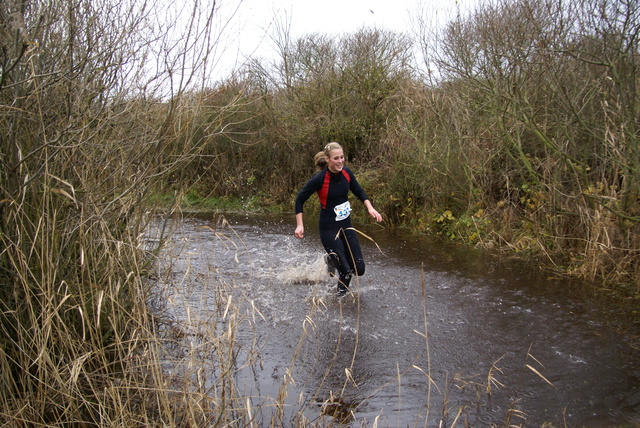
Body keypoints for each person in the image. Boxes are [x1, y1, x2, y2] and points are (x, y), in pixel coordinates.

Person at [294, 142, 383, 296]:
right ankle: (340, 301)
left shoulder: (347, 173)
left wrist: (370, 208)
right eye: (336, 158)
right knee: (346, 271)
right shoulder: (320, 179)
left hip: (346, 226)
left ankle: (330, 260)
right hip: (329, 228)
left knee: (359, 269)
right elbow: (300, 200)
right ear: (327, 159)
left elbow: (359, 191)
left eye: (342, 157)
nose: (340, 161)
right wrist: (299, 225)